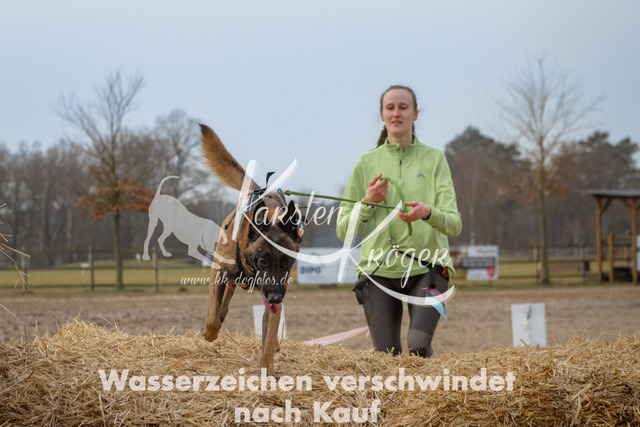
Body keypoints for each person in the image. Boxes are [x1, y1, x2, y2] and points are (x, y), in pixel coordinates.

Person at [336, 85, 462, 358]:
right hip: (379, 271)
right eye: (390, 108)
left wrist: (428, 213)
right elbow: (343, 230)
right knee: (386, 358)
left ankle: (432, 376)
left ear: (415, 114)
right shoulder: (366, 163)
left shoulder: (435, 160)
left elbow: (454, 224)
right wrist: (368, 201)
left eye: (403, 107)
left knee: (418, 344)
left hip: (428, 268)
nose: (396, 113)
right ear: (382, 115)